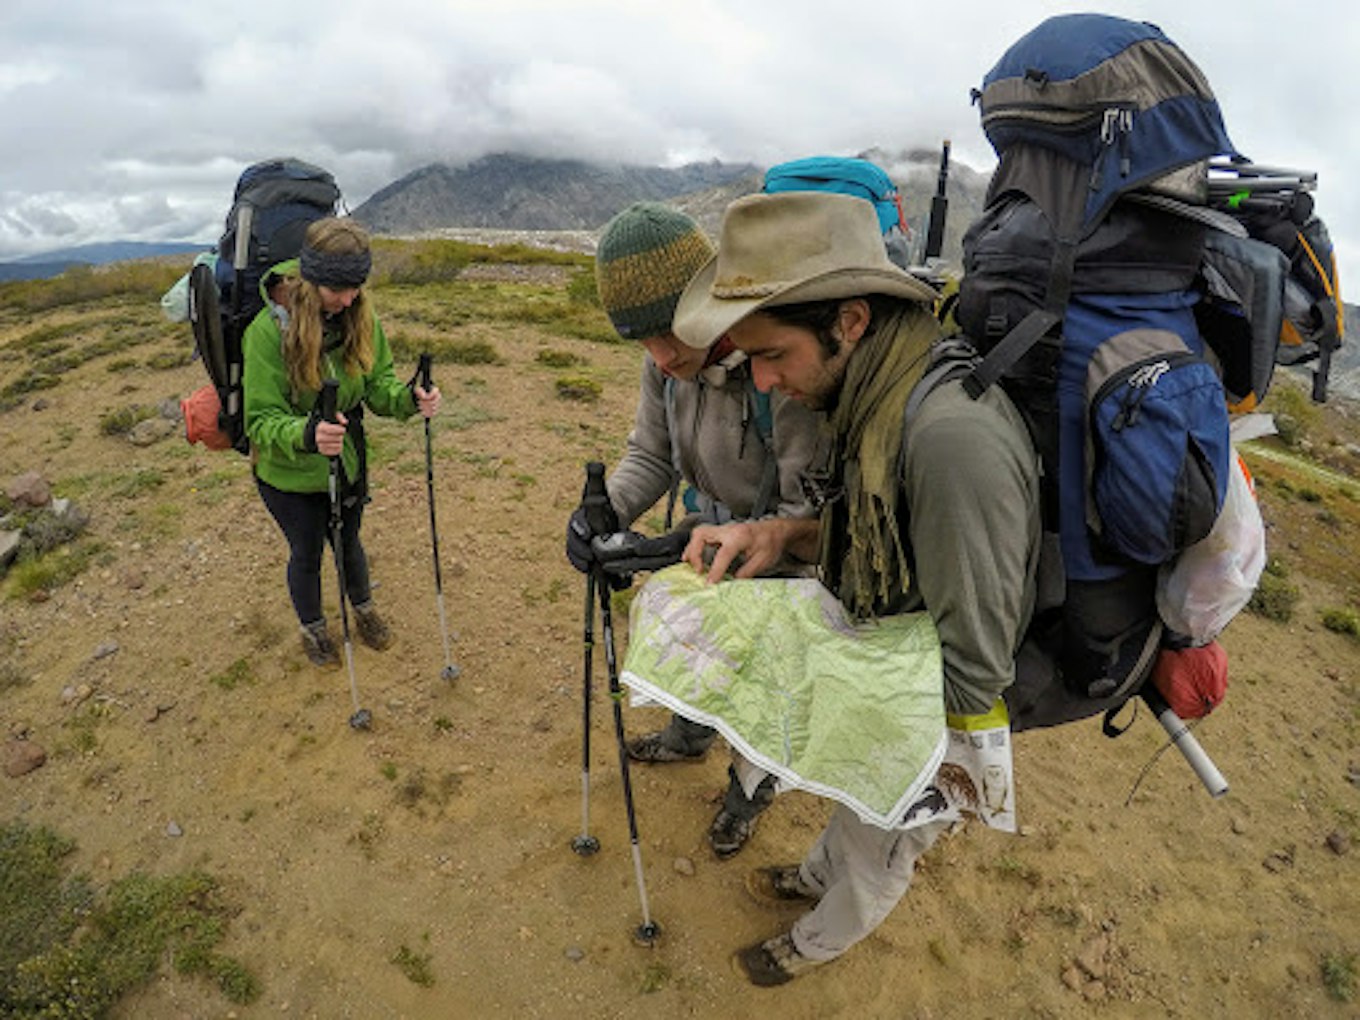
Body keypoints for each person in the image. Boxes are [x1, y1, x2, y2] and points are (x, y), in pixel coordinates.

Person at [672, 190, 1042, 985]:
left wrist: (884, 737)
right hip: (892, 660)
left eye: (774, 355)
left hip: (937, 709)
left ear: (849, 321)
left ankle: (813, 942)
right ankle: (815, 875)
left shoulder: (949, 439)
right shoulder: (876, 393)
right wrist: (779, 535)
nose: (763, 381)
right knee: (857, 809)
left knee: (883, 839)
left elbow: (977, 662)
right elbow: (881, 532)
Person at [564, 201, 821, 858]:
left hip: (780, 562)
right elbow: (651, 454)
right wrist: (606, 512)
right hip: (703, 540)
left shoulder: (776, 373)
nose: (660, 356)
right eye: (642, 341)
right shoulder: (664, 366)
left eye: (670, 333)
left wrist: (746, 538)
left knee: (763, 693)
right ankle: (688, 738)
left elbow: (812, 513)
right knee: (697, 650)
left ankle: (747, 795)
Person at [244, 216, 441, 666]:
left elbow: (378, 386)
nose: (349, 299)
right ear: (312, 280)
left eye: (356, 287)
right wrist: (306, 434)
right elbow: (260, 421)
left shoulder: (359, 315)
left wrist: (410, 398)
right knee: (307, 552)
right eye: (337, 289)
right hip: (289, 474)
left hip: (347, 461)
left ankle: (363, 609)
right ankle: (313, 629)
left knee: (349, 541)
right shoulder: (266, 332)